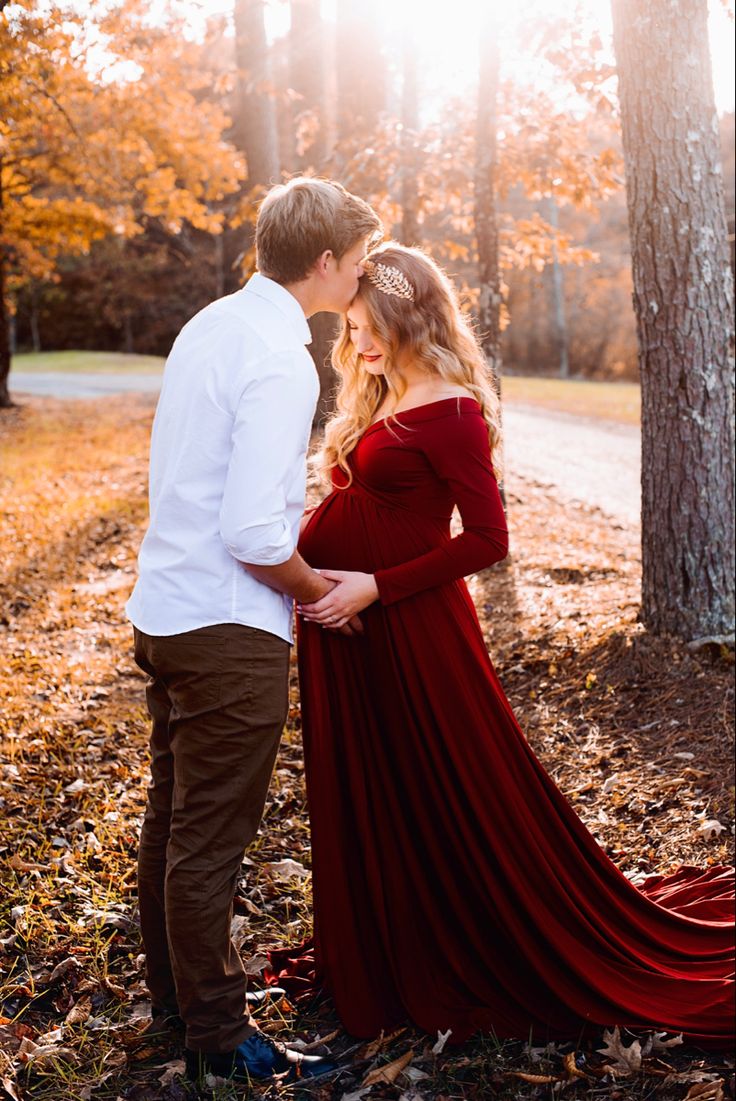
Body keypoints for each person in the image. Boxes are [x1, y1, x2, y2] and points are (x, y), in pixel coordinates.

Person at [273, 242, 735, 1048]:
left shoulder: (449, 407)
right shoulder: (379, 391)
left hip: (410, 628)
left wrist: (372, 588)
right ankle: (391, 935)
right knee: (379, 780)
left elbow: (488, 540)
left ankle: (463, 937)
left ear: (410, 314)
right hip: (352, 626)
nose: (359, 342)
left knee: (443, 781)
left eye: (370, 325)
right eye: (350, 326)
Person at [125, 176, 382, 1084]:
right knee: (209, 840)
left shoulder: (212, 323)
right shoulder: (282, 357)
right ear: (325, 262)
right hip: (228, 626)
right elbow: (252, 532)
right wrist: (318, 594)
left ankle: (178, 1000)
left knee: (172, 822)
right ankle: (221, 1038)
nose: (361, 277)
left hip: (167, 609)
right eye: (357, 262)